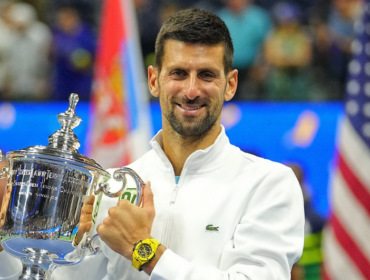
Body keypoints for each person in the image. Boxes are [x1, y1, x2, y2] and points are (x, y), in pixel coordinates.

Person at [0, 8, 304, 280]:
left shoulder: (268, 183)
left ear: (231, 84)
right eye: (179, 73)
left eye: (207, 75)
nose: (192, 89)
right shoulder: (112, 186)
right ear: (154, 80)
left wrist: (143, 250)